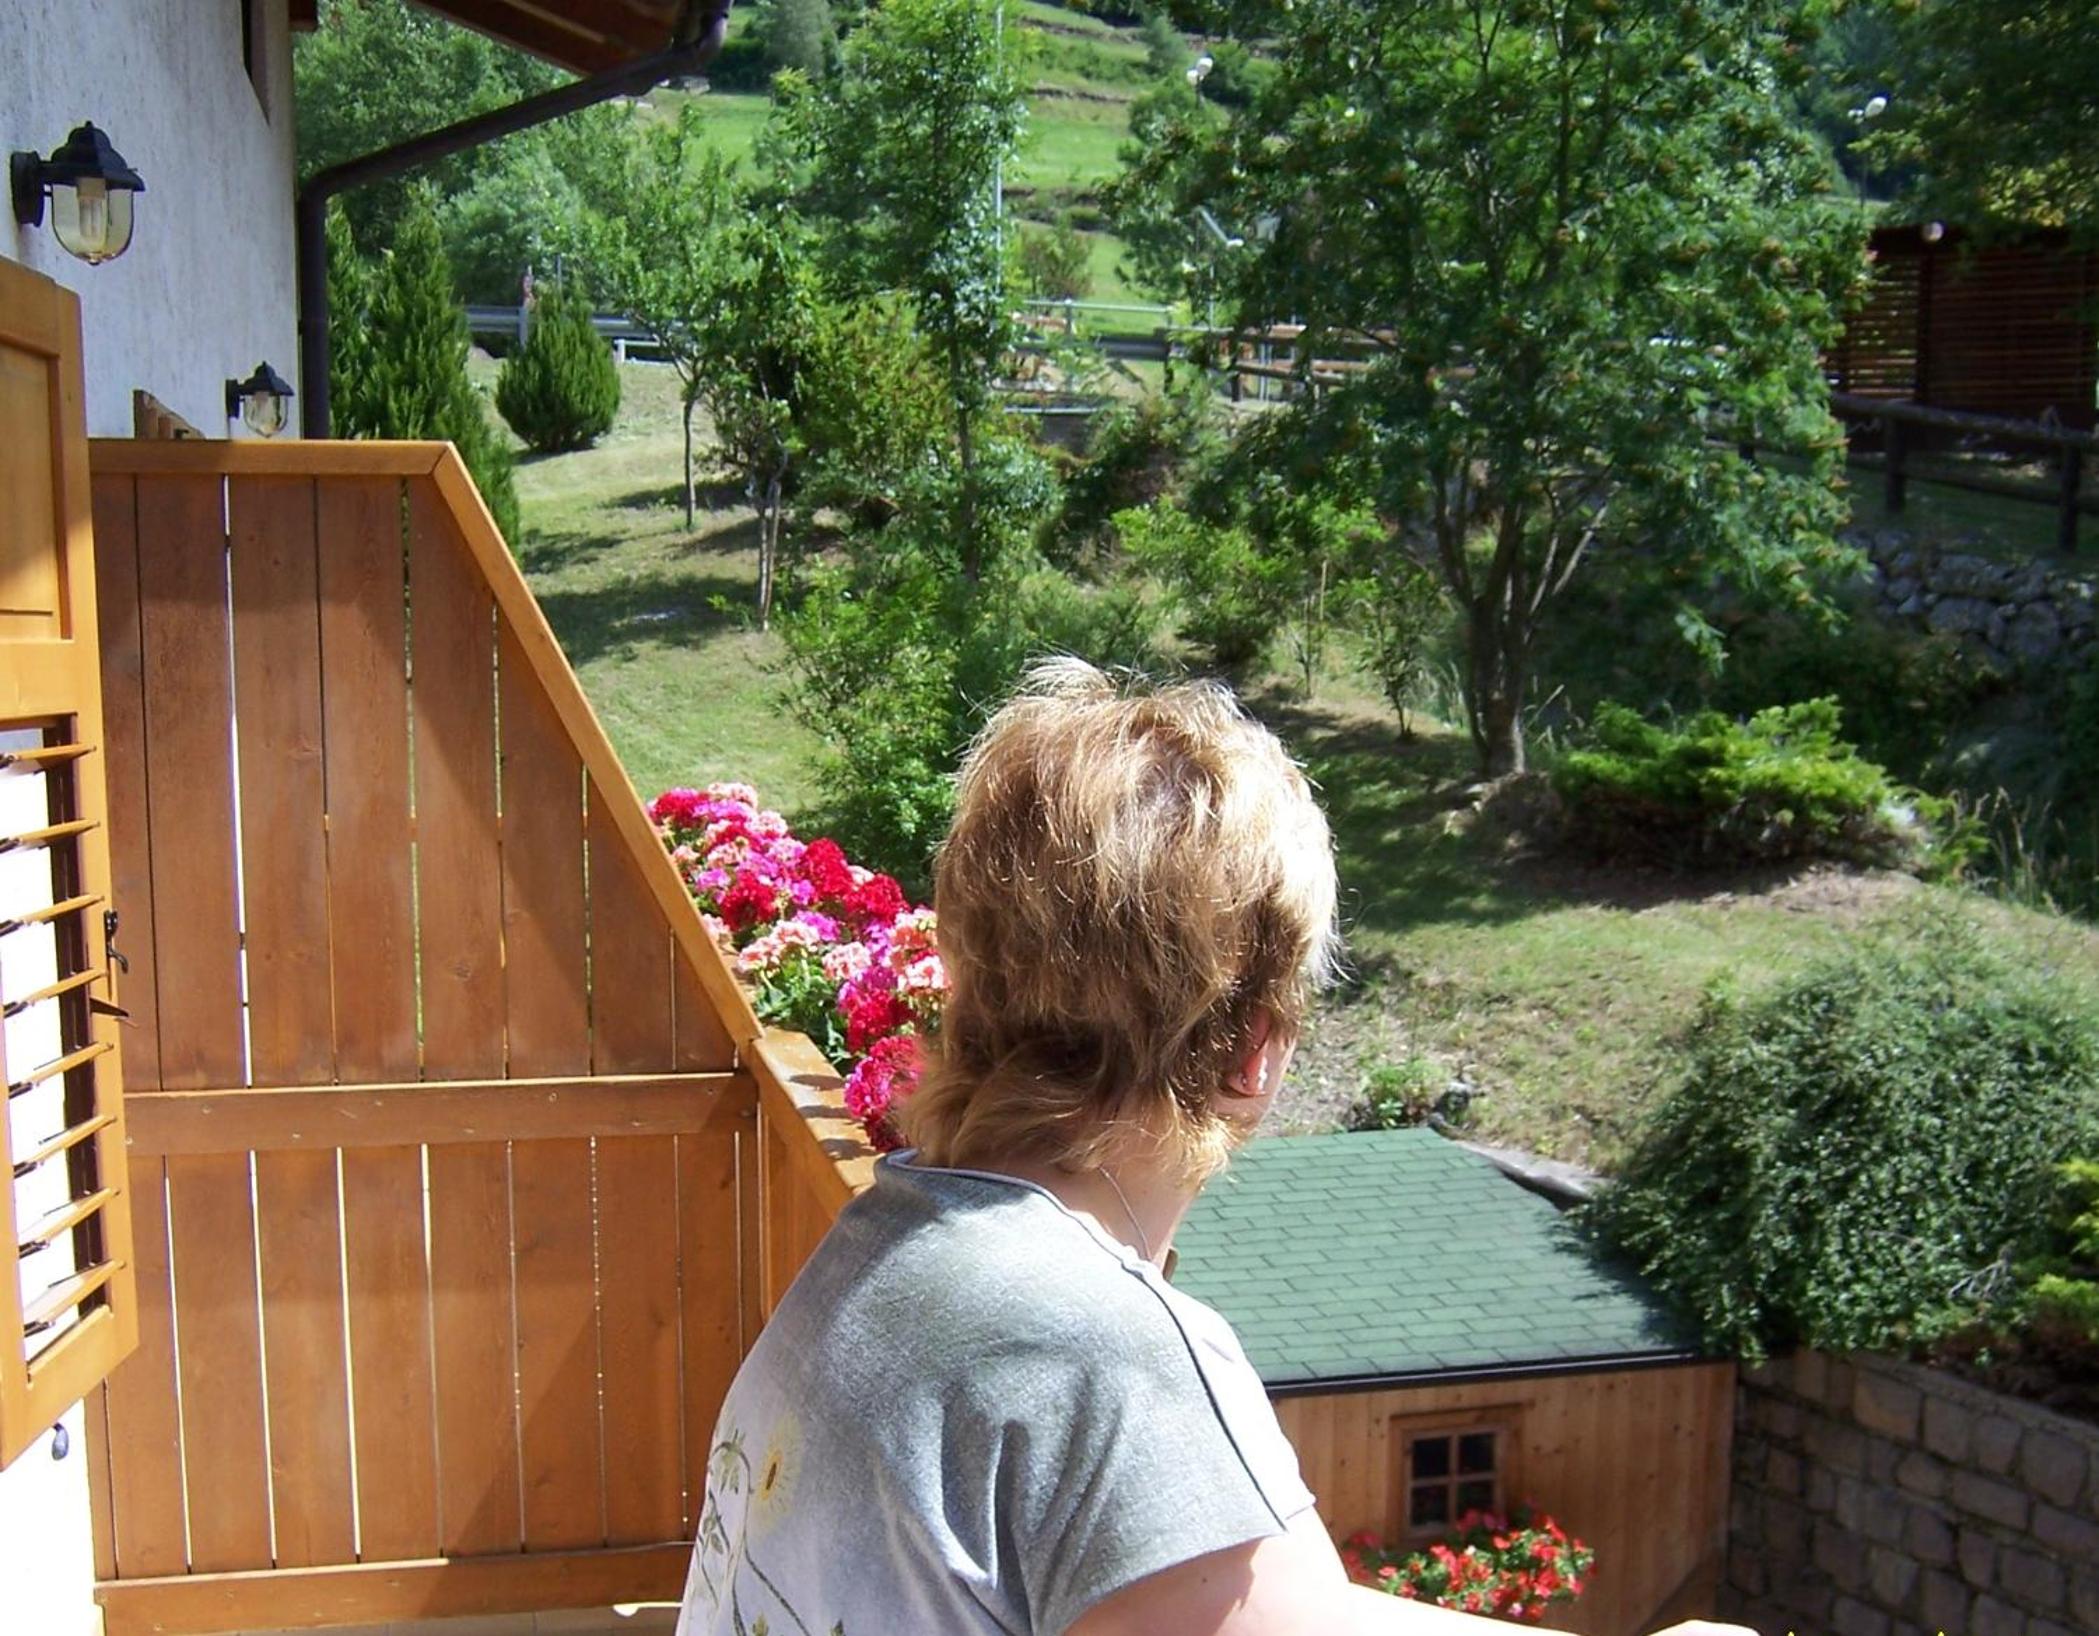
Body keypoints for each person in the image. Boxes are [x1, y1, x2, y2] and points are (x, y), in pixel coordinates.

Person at [676, 660, 1745, 1636]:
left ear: (966, 984)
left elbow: (1264, 1603)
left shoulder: (883, 1245)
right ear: (1252, 1049)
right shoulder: (1101, 1358)